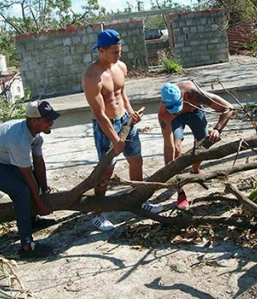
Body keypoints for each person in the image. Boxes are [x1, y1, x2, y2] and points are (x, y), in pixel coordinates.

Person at [82, 29, 163, 231]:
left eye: (119, 51)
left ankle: (138, 199)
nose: (119, 56)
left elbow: (122, 95)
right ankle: (98, 213)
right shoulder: (92, 77)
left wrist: (131, 112)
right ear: (101, 50)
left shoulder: (121, 67)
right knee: (106, 171)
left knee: (136, 160)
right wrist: (115, 139)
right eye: (114, 52)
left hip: (126, 121)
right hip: (106, 127)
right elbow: (99, 114)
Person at [0, 100, 61, 258]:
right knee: (22, 191)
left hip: (3, 159)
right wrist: (40, 203)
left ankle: (31, 219)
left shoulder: (36, 136)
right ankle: (27, 246)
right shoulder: (18, 140)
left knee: (34, 182)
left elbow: (39, 164)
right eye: (47, 120)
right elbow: (26, 175)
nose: (51, 122)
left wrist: (44, 191)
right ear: (34, 121)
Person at [158, 81, 233, 209]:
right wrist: (169, 172)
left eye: (178, 107)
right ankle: (180, 189)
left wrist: (217, 129)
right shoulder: (164, 114)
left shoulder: (194, 94)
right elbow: (168, 146)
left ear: (183, 96)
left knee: (203, 142)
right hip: (176, 122)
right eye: (173, 109)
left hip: (195, 113)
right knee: (176, 148)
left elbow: (228, 108)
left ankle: (195, 170)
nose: (176, 112)